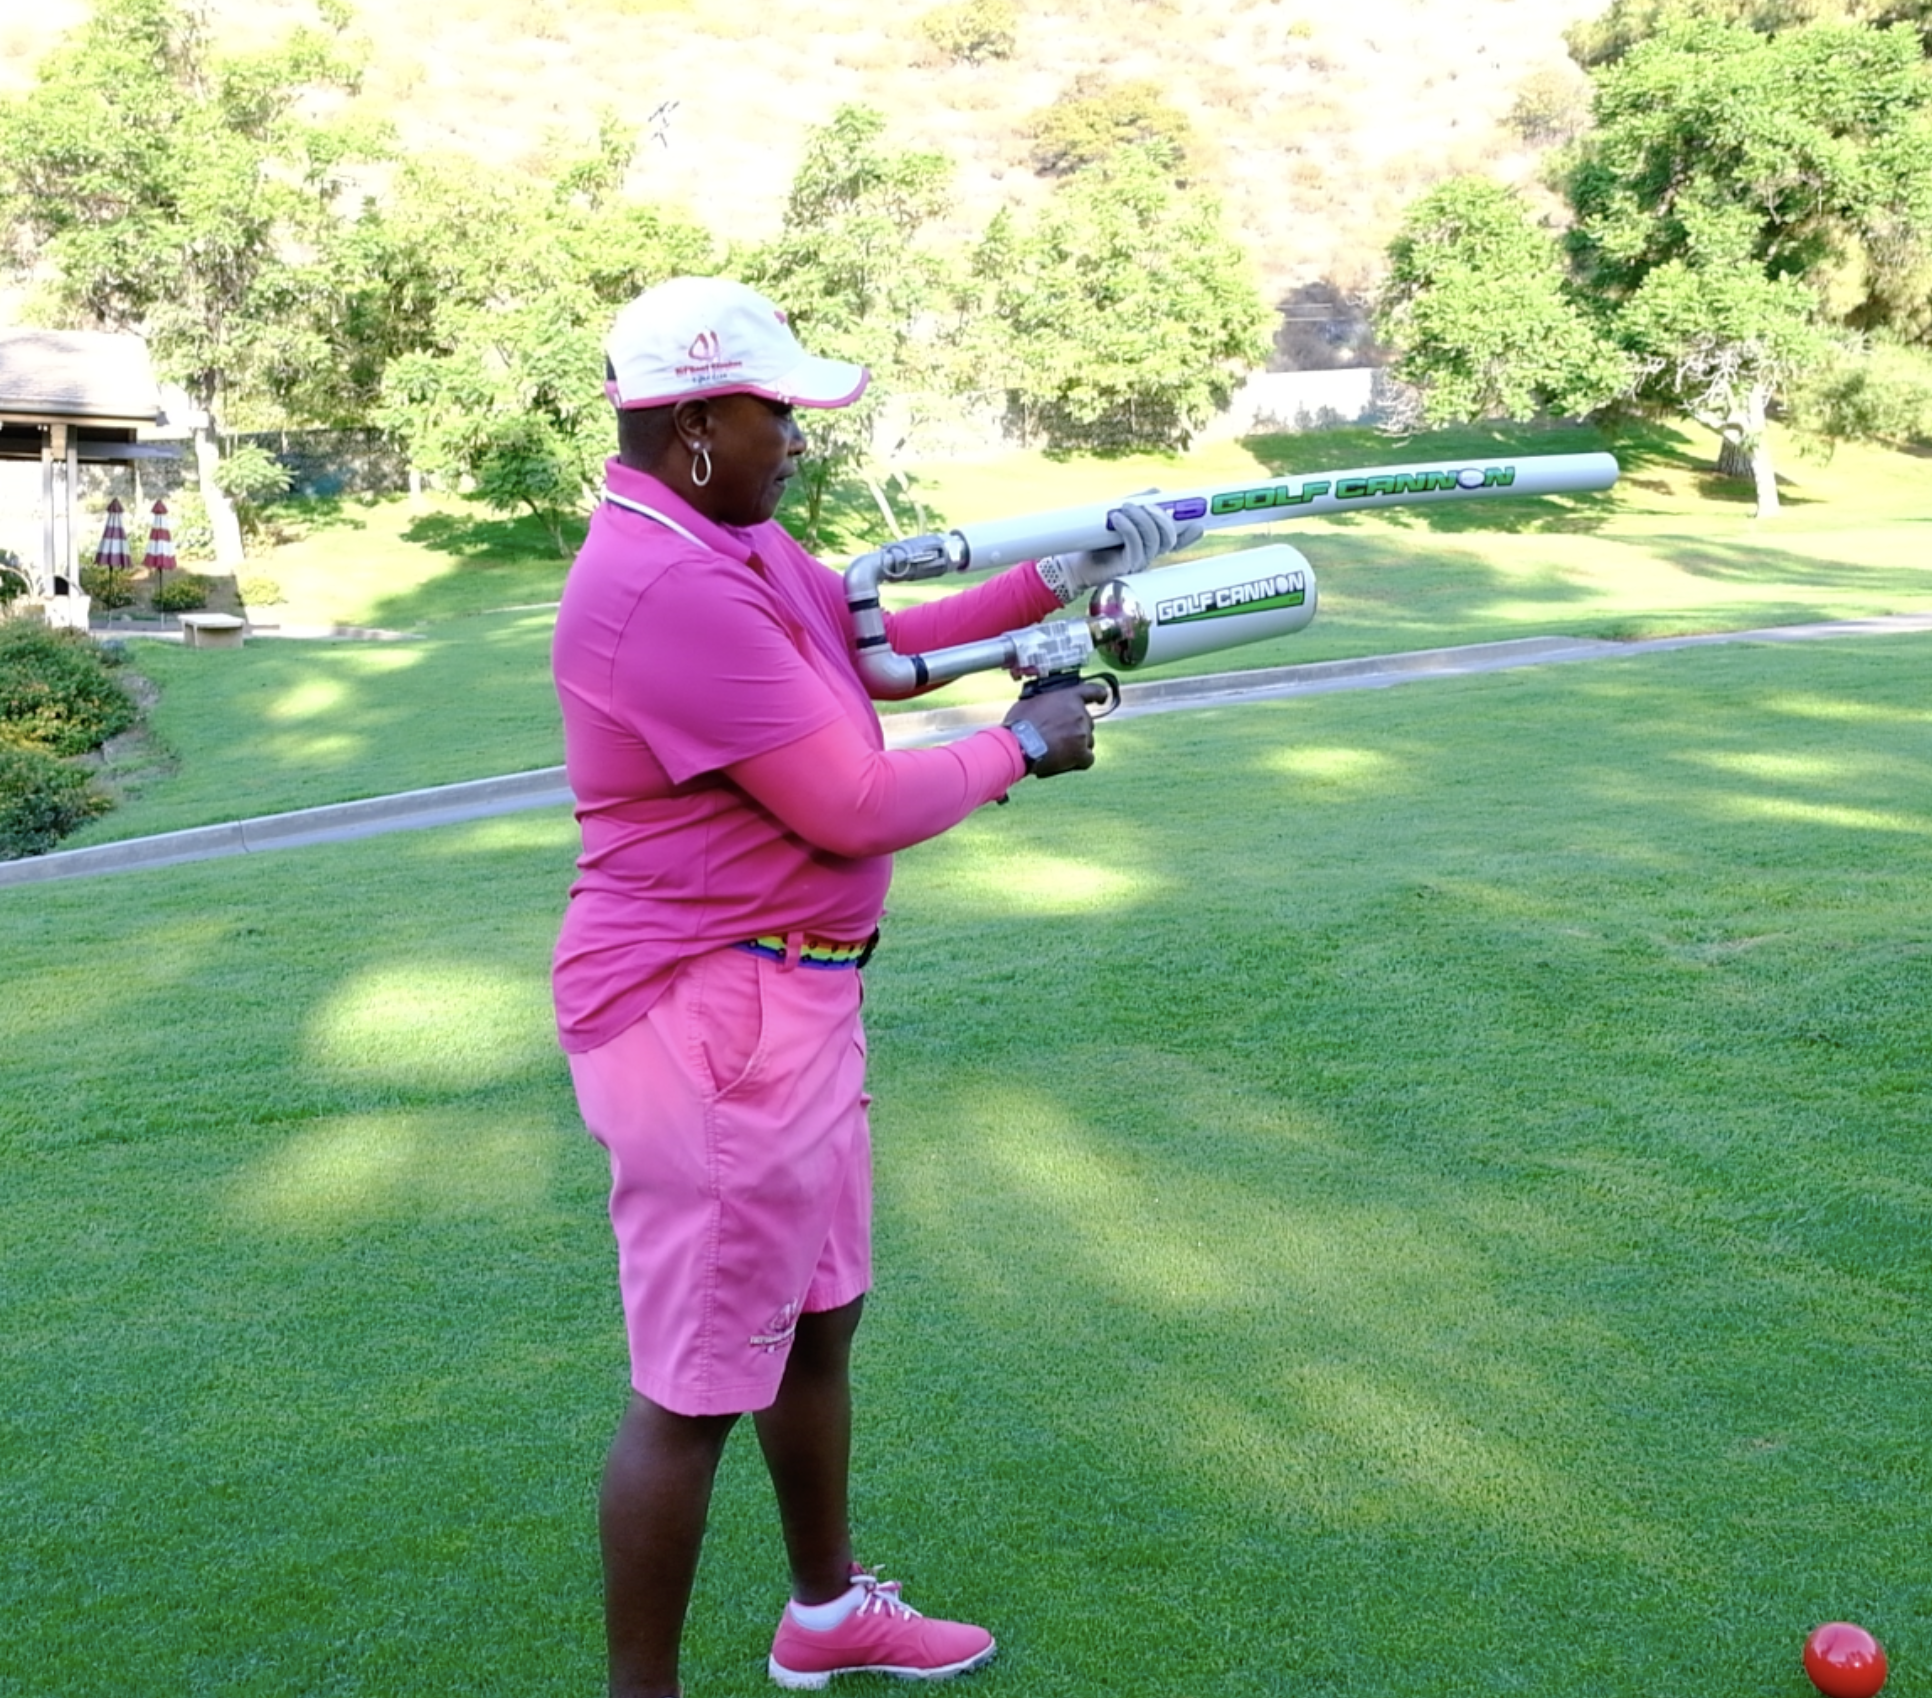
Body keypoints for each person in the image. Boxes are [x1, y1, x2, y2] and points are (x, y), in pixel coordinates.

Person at [551, 275, 1194, 1698]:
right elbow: (847, 801)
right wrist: (1021, 745)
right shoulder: (659, 581)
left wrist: (1067, 573)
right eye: (776, 409)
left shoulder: (731, 537)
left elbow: (888, 657)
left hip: (796, 1002)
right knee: (697, 1388)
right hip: (704, 1016)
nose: (799, 435)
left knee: (816, 1319)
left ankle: (827, 1612)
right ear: (697, 419)